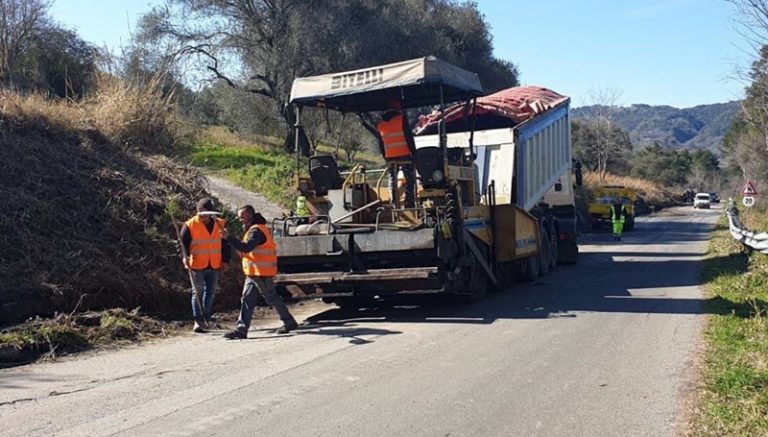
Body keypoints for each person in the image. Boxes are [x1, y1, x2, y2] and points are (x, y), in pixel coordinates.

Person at [221, 205, 299, 339]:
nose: (240, 220)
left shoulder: (256, 231)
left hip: (260, 272)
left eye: (242, 217)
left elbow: (246, 248)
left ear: (250, 216)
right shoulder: (257, 229)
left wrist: (228, 237)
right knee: (247, 299)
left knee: (271, 298)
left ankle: (289, 322)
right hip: (254, 272)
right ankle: (241, 329)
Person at [180, 198, 230, 333]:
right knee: (197, 292)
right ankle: (198, 320)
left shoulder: (220, 224)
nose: (204, 216)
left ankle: (206, 317)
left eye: (207, 213)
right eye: (202, 213)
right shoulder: (189, 225)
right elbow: (182, 244)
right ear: (198, 212)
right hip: (197, 264)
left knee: (211, 292)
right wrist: (185, 257)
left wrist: (226, 261)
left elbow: (225, 244)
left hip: (214, 264)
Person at [377, 99, 417, 208]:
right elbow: (409, 138)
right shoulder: (402, 120)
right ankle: (409, 204)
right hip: (405, 154)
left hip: (390, 157)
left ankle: (394, 203)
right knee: (409, 179)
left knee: (392, 179)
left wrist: (385, 157)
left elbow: (381, 144)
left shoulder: (380, 124)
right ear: (398, 109)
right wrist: (414, 153)